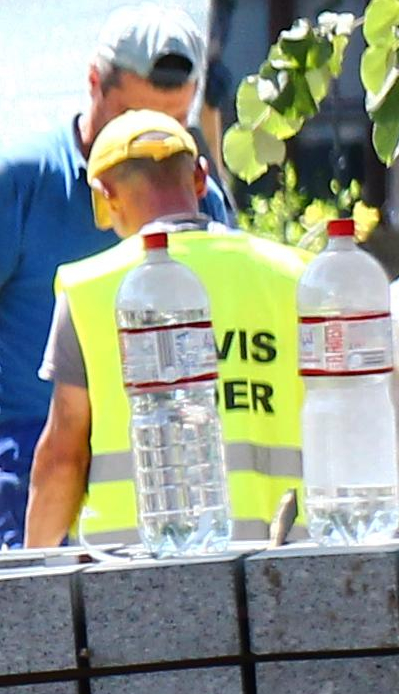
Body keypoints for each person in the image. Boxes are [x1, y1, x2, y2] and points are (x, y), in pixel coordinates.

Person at [0, 2, 236, 549]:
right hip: (32, 459)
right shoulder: (16, 183)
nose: (148, 143)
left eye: (170, 126)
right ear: (94, 82)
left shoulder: (203, 198)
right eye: (133, 116)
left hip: (169, 458)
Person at [22, 108, 310, 544]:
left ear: (104, 196)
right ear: (200, 178)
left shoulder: (89, 290)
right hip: (287, 559)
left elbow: (64, 457)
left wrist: (31, 582)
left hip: (135, 573)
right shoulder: (297, 276)